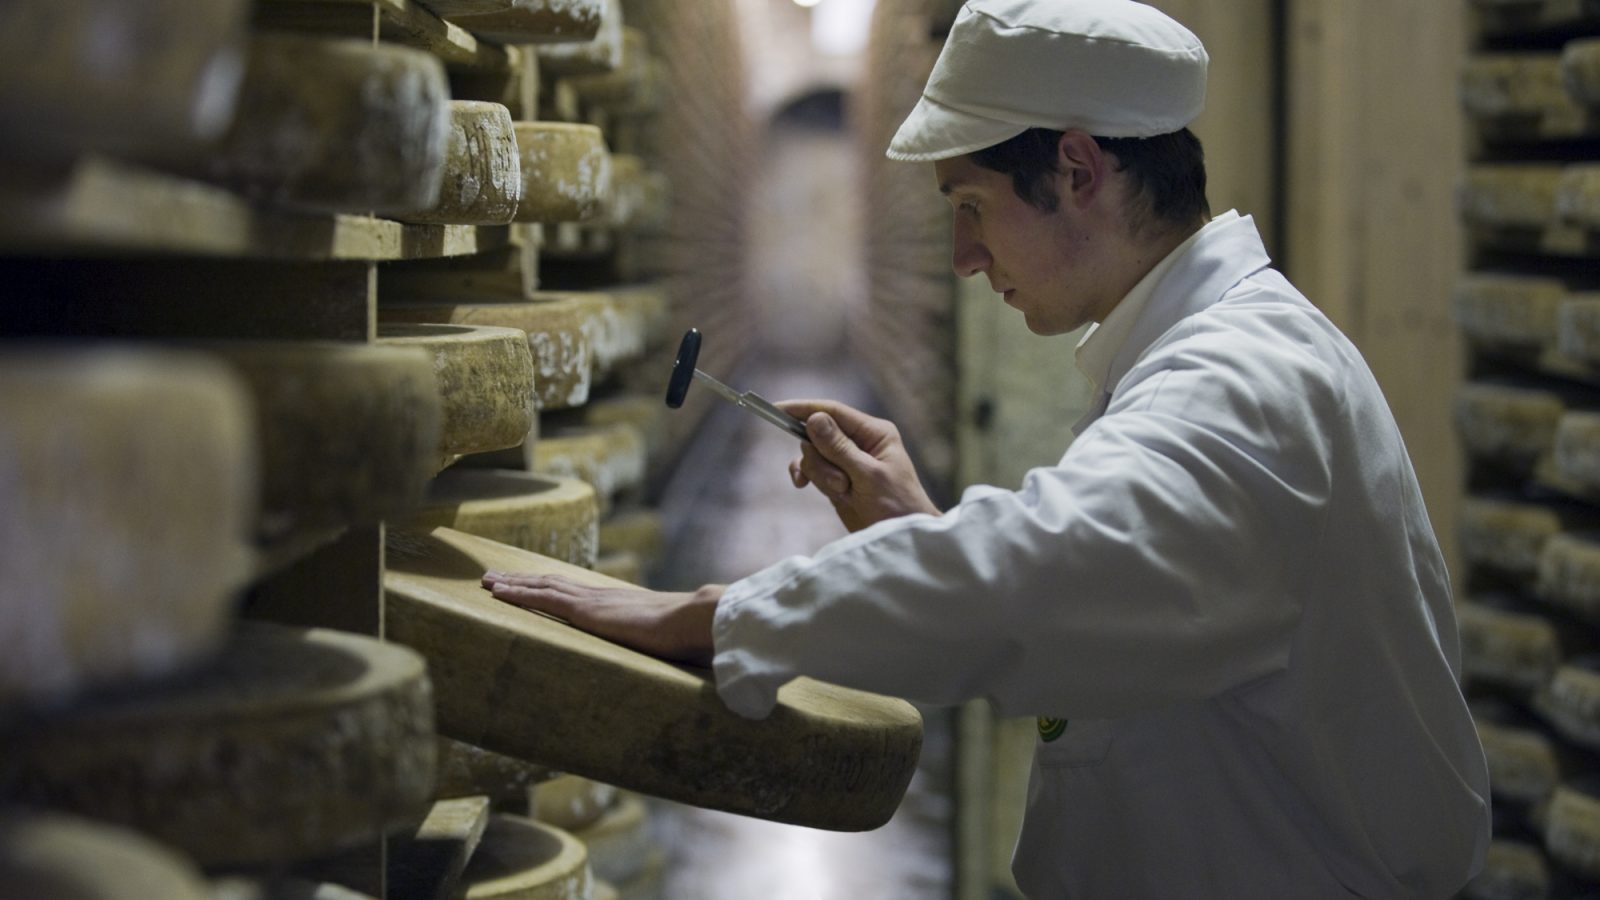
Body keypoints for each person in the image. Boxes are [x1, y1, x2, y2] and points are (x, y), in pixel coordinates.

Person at [481, 0, 1491, 895]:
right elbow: (1100, 607)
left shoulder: (1241, 392)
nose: (965, 258)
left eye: (971, 208)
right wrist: (916, 530)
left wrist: (714, 614)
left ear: (1077, 168)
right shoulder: (1201, 353)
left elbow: (1035, 571)